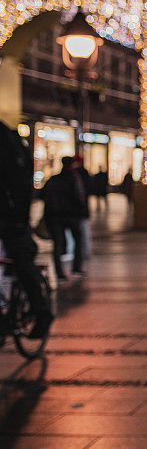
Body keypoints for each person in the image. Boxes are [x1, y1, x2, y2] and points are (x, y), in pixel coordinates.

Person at [0, 121, 53, 338]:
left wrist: (19, 219)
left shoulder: (6, 140)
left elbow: (17, 184)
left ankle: (42, 313)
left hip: (11, 218)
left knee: (22, 262)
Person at [42, 157, 87, 281]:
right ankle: (76, 268)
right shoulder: (74, 178)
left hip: (55, 216)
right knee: (78, 240)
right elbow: (79, 197)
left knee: (58, 244)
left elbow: (43, 195)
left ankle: (59, 273)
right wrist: (83, 212)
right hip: (71, 215)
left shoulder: (54, 179)